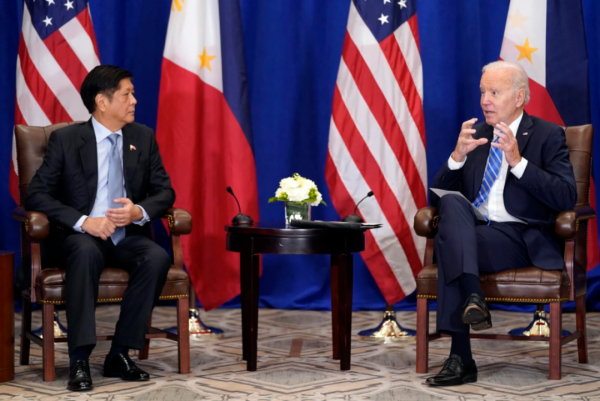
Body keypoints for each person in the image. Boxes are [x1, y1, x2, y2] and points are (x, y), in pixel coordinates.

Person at [425, 60, 576, 386]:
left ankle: (460, 358)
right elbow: (436, 198)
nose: (485, 101)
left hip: (520, 237)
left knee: (451, 245)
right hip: (475, 232)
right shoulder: (477, 135)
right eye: (482, 92)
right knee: (451, 205)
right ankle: (474, 298)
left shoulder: (548, 135)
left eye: (494, 92)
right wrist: (457, 158)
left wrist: (518, 162)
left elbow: (566, 197)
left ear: (519, 97)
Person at [25, 65, 175, 391]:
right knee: (85, 252)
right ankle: (79, 358)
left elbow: (164, 192)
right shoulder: (67, 140)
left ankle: (120, 353)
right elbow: (35, 194)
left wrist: (137, 211)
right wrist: (84, 222)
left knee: (156, 258)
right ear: (102, 102)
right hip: (79, 237)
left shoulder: (142, 137)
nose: (134, 100)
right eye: (127, 94)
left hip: (126, 235)